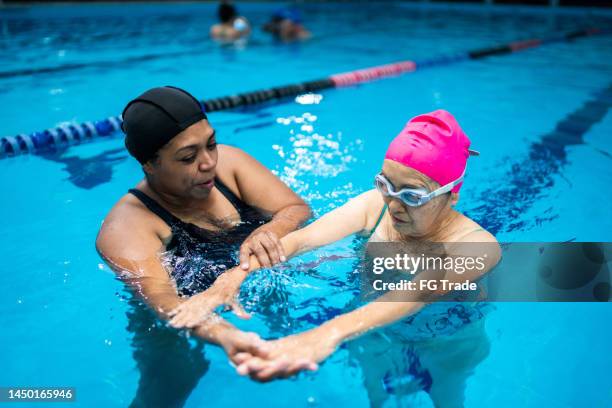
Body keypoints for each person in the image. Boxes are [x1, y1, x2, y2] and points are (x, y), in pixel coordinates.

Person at [170, 110, 501, 403]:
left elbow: (417, 294)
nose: (394, 205)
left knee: (447, 400)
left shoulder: (478, 246)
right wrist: (232, 277)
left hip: (448, 345)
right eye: (386, 185)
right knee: (377, 398)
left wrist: (326, 333)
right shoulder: (374, 207)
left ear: (452, 193)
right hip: (373, 332)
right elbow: (300, 240)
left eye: (412, 195)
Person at [95, 86, 312, 406]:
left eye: (211, 144)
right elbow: (165, 302)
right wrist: (226, 334)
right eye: (188, 157)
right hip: (173, 318)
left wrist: (270, 231)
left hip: (247, 280)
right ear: (149, 164)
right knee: (174, 380)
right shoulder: (125, 228)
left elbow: (296, 210)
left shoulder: (231, 165)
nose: (209, 162)